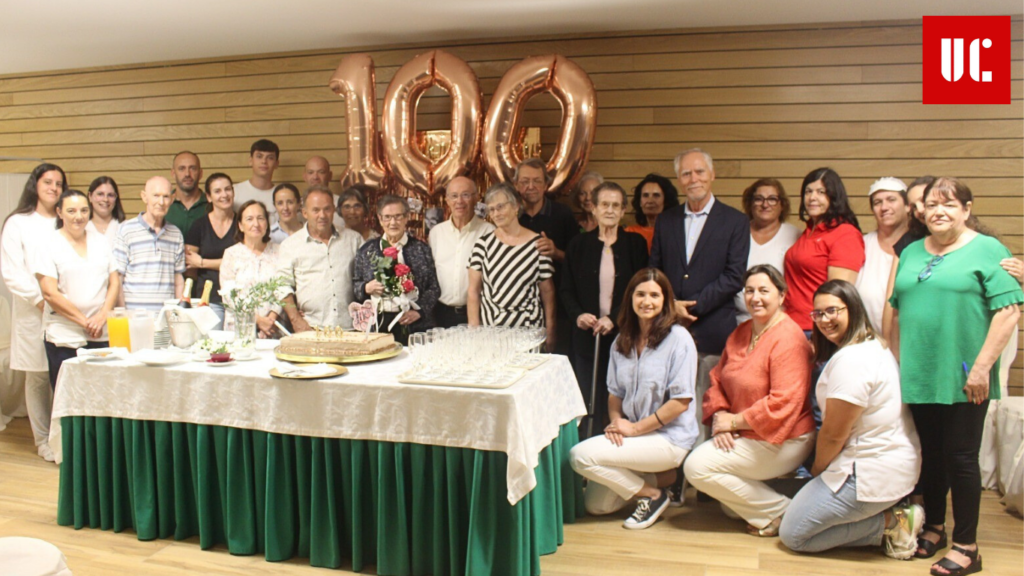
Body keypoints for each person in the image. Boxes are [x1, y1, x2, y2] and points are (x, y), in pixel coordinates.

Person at [889, 177, 1022, 576]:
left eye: (948, 204)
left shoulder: (988, 249)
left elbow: (1010, 310)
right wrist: (895, 363)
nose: (938, 211)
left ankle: (968, 546)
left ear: (966, 209)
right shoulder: (911, 251)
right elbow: (896, 309)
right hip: (920, 371)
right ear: (921, 211)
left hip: (966, 374)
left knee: (961, 457)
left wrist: (982, 367)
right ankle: (935, 527)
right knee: (931, 455)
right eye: (931, 204)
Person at [779, 280, 923, 560]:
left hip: (870, 470)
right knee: (799, 511)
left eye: (832, 310)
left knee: (794, 533)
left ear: (853, 309)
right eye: (818, 314)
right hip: (886, 460)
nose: (824, 320)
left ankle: (894, 523)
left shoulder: (853, 360)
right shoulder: (871, 344)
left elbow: (834, 434)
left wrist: (818, 471)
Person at [684, 264, 814, 535]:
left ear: (781, 296)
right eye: (750, 291)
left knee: (696, 467)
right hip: (743, 432)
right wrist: (720, 414)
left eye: (764, 290)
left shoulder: (789, 338)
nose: (756, 297)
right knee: (732, 508)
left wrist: (734, 422)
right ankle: (766, 508)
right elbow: (717, 378)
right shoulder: (742, 331)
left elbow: (783, 402)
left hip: (785, 437)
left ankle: (784, 512)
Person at [569, 268, 698, 529]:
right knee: (597, 506)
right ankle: (663, 479)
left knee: (579, 456)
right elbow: (615, 394)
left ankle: (652, 495)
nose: (646, 301)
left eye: (654, 295)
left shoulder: (679, 340)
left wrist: (635, 429)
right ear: (630, 298)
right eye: (640, 294)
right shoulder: (621, 341)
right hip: (634, 435)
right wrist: (617, 424)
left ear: (666, 300)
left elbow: (680, 402)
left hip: (668, 438)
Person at [649, 148, 749, 442]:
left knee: (707, 407)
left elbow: (734, 276)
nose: (694, 179)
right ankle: (671, 478)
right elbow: (655, 270)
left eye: (699, 172)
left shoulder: (735, 221)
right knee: (668, 407)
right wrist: (671, 307)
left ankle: (700, 483)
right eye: (686, 174)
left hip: (713, 331)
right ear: (679, 180)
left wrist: (690, 308)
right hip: (668, 329)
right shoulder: (666, 220)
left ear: (712, 175)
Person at [560, 182, 648, 435]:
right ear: (594, 209)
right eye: (604, 205)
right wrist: (578, 314)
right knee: (588, 396)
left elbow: (640, 290)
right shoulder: (578, 244)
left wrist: (615, 319)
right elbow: (566, 289)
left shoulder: (635, 244)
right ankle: (587, 449)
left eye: (616, 206)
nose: (610, 210)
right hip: (587, 337)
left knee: (620, 397)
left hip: (626, 336)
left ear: (623, 211)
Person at [1, 163, 66, 461]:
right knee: (38, 376)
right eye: (48, 182)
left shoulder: (66, 220)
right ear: (35, 185)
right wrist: (43, 301)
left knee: (63, 374)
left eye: (59, 184)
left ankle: (62, 437)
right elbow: (12, 273)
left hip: (66, 311)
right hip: (34, 311)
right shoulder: (18, 223)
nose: (54, 188)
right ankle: (42, 440)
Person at [34, 190, 119, 390]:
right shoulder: (48, 244)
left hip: (100, 331)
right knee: (68, 394)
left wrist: (102, 316)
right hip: (64, 333)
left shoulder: (100, 240)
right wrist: (85, 322)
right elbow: (49, 293)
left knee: (101, 392)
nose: (78, 216)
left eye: (83, 210)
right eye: (71, 211)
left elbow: (114, 281)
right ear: (59, 213)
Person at [468, 183, 556, 350]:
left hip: (528, 333)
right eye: (491, 209)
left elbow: (548, 292)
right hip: (491, 333)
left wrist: (551, 331)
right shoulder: (483, 244)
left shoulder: (537, 244)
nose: (496, 213)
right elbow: (473, 291)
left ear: (516, 206)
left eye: (500, 207)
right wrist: (474, 332)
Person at [783, 167, 864, 333]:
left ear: (834, 197)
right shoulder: (808, 231)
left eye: (821, 192)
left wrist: (822, 336)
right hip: (792, 325)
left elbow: (838, 296)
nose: (812, 197)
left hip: (816, 329)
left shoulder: (845, 234)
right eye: (808, 191)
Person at [353, 195, 439, 344]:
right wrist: (365, 287)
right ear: (380, 219)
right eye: (387, 217)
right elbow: (355, 285)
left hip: (414, 325)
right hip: (378, 324)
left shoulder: (421, 249)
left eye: (398, 216)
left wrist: (420, 312)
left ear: (407, 217)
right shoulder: (367, 250)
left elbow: (434, 287)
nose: (393, 222)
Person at [275, 186, 362, 332]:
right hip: (310, 328)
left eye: (327, 209)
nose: (322, 215)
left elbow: (365, 282)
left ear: (334, 210)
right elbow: (281, 286)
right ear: (304, 213)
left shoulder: (354, 240)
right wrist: (296, 320)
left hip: (351, 328)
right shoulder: (290, 245)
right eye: (315, 210)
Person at [516, 157, 579, 354]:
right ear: (516, 185)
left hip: (559, 308)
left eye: (537, 181)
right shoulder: (511, 215)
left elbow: (579, 261)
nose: (531, 187)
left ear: (546, 185)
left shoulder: (563, 214)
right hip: (519, 308)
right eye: (525, 181)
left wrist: (556, 252)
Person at [428, 176, 494, 328]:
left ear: (476, 198)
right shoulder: (437, 233)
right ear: (447, 200)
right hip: (441, 314)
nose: (459, 201)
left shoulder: (489, 232)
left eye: (466, 195)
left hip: (478, 313)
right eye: (454, 196)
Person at [733, 178, 801, 324]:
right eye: (758, 199)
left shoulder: (796, 236)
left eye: (772, 199)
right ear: (750, 204)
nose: (765, 204)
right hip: (738, 320)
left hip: (779, 322)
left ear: (782, 205)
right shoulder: (737, 233)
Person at [112, 176, 185, 311]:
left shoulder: (176, 234)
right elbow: (117, 278)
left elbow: (178, 278)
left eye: (166, 196)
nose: (161, 202)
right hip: (134, 318)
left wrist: (179, 313)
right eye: (156, 195)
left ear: (172, 199)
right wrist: (123, 314)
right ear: (144, 197)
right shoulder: (126, 230)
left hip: (166, 319)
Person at [855, 177, 909, 333]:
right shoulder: (861, 245)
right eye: (877, 203)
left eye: (891, 200)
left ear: (907, 206)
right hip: (867, 342)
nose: (884, 207)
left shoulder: (921, 246)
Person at [184, 173, 239, 328]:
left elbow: (242, 261)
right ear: (208, 197)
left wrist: (202, 263)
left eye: (228, 189)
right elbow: (189, 265)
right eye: (217, 191)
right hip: (208, 299)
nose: (224, 195)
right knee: (213, 345)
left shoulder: (242, 224)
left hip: (239, 300)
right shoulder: (199, 225)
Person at [220, 200, 280, 337]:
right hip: (239, 329)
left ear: (267, 223)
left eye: (260, 218)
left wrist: (271, 317)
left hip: (272, 328)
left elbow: (283, 288)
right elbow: (229, 296)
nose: (256, 224)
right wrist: (257, 320)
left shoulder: (279, 252)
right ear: (240, 226)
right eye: (249, 219)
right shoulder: (231, 254)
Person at [625, 173, 679, 252]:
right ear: (640, 202)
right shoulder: (629, 232)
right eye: (645, 195)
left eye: (656, 195)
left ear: (666, 201)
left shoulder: (676, 232)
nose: (650, 201)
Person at [232, 139, 279, 215]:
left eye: (270, 157)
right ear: (250, 161)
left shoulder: (282, 195)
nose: (264, 161)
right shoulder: (234, 192)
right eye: (259, 156)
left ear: (276, 163)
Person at [165, 151, 207, 237]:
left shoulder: (212, 205)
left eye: (193, 168)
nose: (187, 174)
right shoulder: (163, 204)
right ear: (173, 173)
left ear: (200, 173)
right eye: (181, 169)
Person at [302, 155, 347, 231]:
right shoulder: (296, 205)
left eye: (321, 172)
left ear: (330, 176)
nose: (315, 177)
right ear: (305, 176)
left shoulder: (343, 204)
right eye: (310, 172)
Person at [85, 176, 126, 244]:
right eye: (100, 194)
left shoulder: (125, 227)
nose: (105, 199)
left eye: (110, 195)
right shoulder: (82, 227)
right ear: (90, 196)